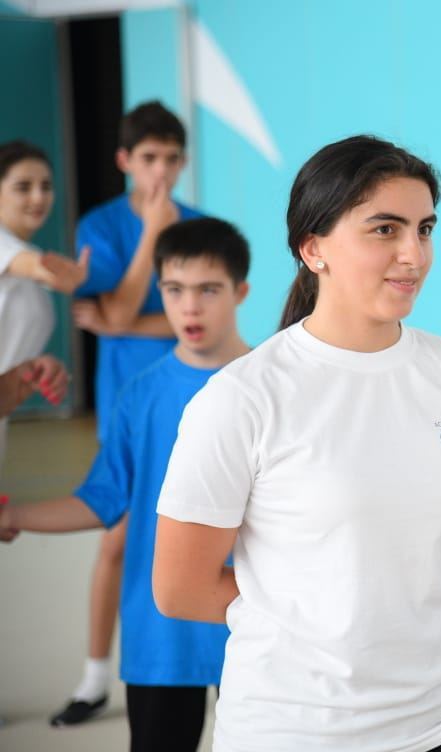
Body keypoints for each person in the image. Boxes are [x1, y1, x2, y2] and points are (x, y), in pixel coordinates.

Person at [151, 135, 441, 752]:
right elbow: (179, 588)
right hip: (302, 729)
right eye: (384, 230)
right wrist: (319, 610)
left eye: (424, 229)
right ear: (313, 248)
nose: (413, 254)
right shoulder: (243, 398)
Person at [0, 217, 251, 751]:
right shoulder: (140, 393)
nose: (190, 307)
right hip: (160, 631)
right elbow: (103, 497)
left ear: (241, 291)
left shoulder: (272, 384)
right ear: (158, 292)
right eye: (175, 290)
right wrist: (13, 516)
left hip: (255, 627)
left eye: (209, 289)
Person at [55, 100, 202, 726]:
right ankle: (93, 681)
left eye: (171, 159)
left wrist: (128, 319)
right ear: (124, 161)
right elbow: (108, 309)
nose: (160, 172)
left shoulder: (199, 227)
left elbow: (130, 317)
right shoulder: (102, 225)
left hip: (188, 401)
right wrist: (151, 231)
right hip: (127, 406)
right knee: (115, 540)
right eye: (148, 159)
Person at [0, 140, 89, 473]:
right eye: (24, 187)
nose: (38, 197)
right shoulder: (20, 257)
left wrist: (39, 369)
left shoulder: (24, 256)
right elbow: (31, 265)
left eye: (46, 187)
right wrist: (50, 272)